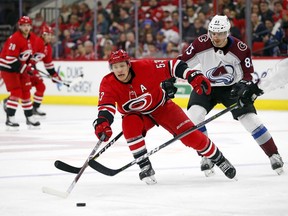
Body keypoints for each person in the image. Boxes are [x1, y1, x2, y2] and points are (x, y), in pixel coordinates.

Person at [93, 49, 236, 185]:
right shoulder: (108, 83)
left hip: (162, 107)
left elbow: (174, 66)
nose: (119, 70)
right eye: (115, 67)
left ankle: (220, 159)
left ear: (128, 65)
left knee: (191, 136)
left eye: (122, 66)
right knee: (129, 124)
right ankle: (145, 166)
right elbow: (106, 106)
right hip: (137, 115)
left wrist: (192, 75)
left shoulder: (145, 67)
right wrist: (103, 123)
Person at [177, 15, 284, 176]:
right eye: (213, 33)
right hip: (206, 85)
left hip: (232, 88)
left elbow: (249, 75)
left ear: (227, 33)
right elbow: (181, 63)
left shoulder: (240, 49)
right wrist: (169, 77)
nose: (215, 37)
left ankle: (273, 154)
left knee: (250, 120)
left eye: (220, 33)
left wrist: (245, 87)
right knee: (194, 115)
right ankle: (207, 155)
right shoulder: (200, 43)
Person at [0, 16, 40, 128]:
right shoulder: (15, 38)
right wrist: (25, 69)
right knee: (16, 92)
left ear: (31, 26)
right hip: (8, 68)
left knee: (26, 92)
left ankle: (29, 117)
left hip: (20, 67)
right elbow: (10, 59)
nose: (26, 27)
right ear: (19, 26)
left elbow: (29, 56)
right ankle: (10, 118)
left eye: (28, 25)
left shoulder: (32, 38)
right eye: (23, 25)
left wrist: (31, 66)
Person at [29, 25, 61, 116]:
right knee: (23, 88)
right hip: (23, 66)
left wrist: (54, 74)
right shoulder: (36, 42)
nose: (50, 37)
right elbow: (27, 55)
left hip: (31, 67)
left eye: (51, 35)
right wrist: (29, 66)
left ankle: (35, 108)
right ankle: (8, 102)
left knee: (41, 86)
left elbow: (48, 64)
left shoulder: (48, 48)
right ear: (43, 35)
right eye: (48, 34)